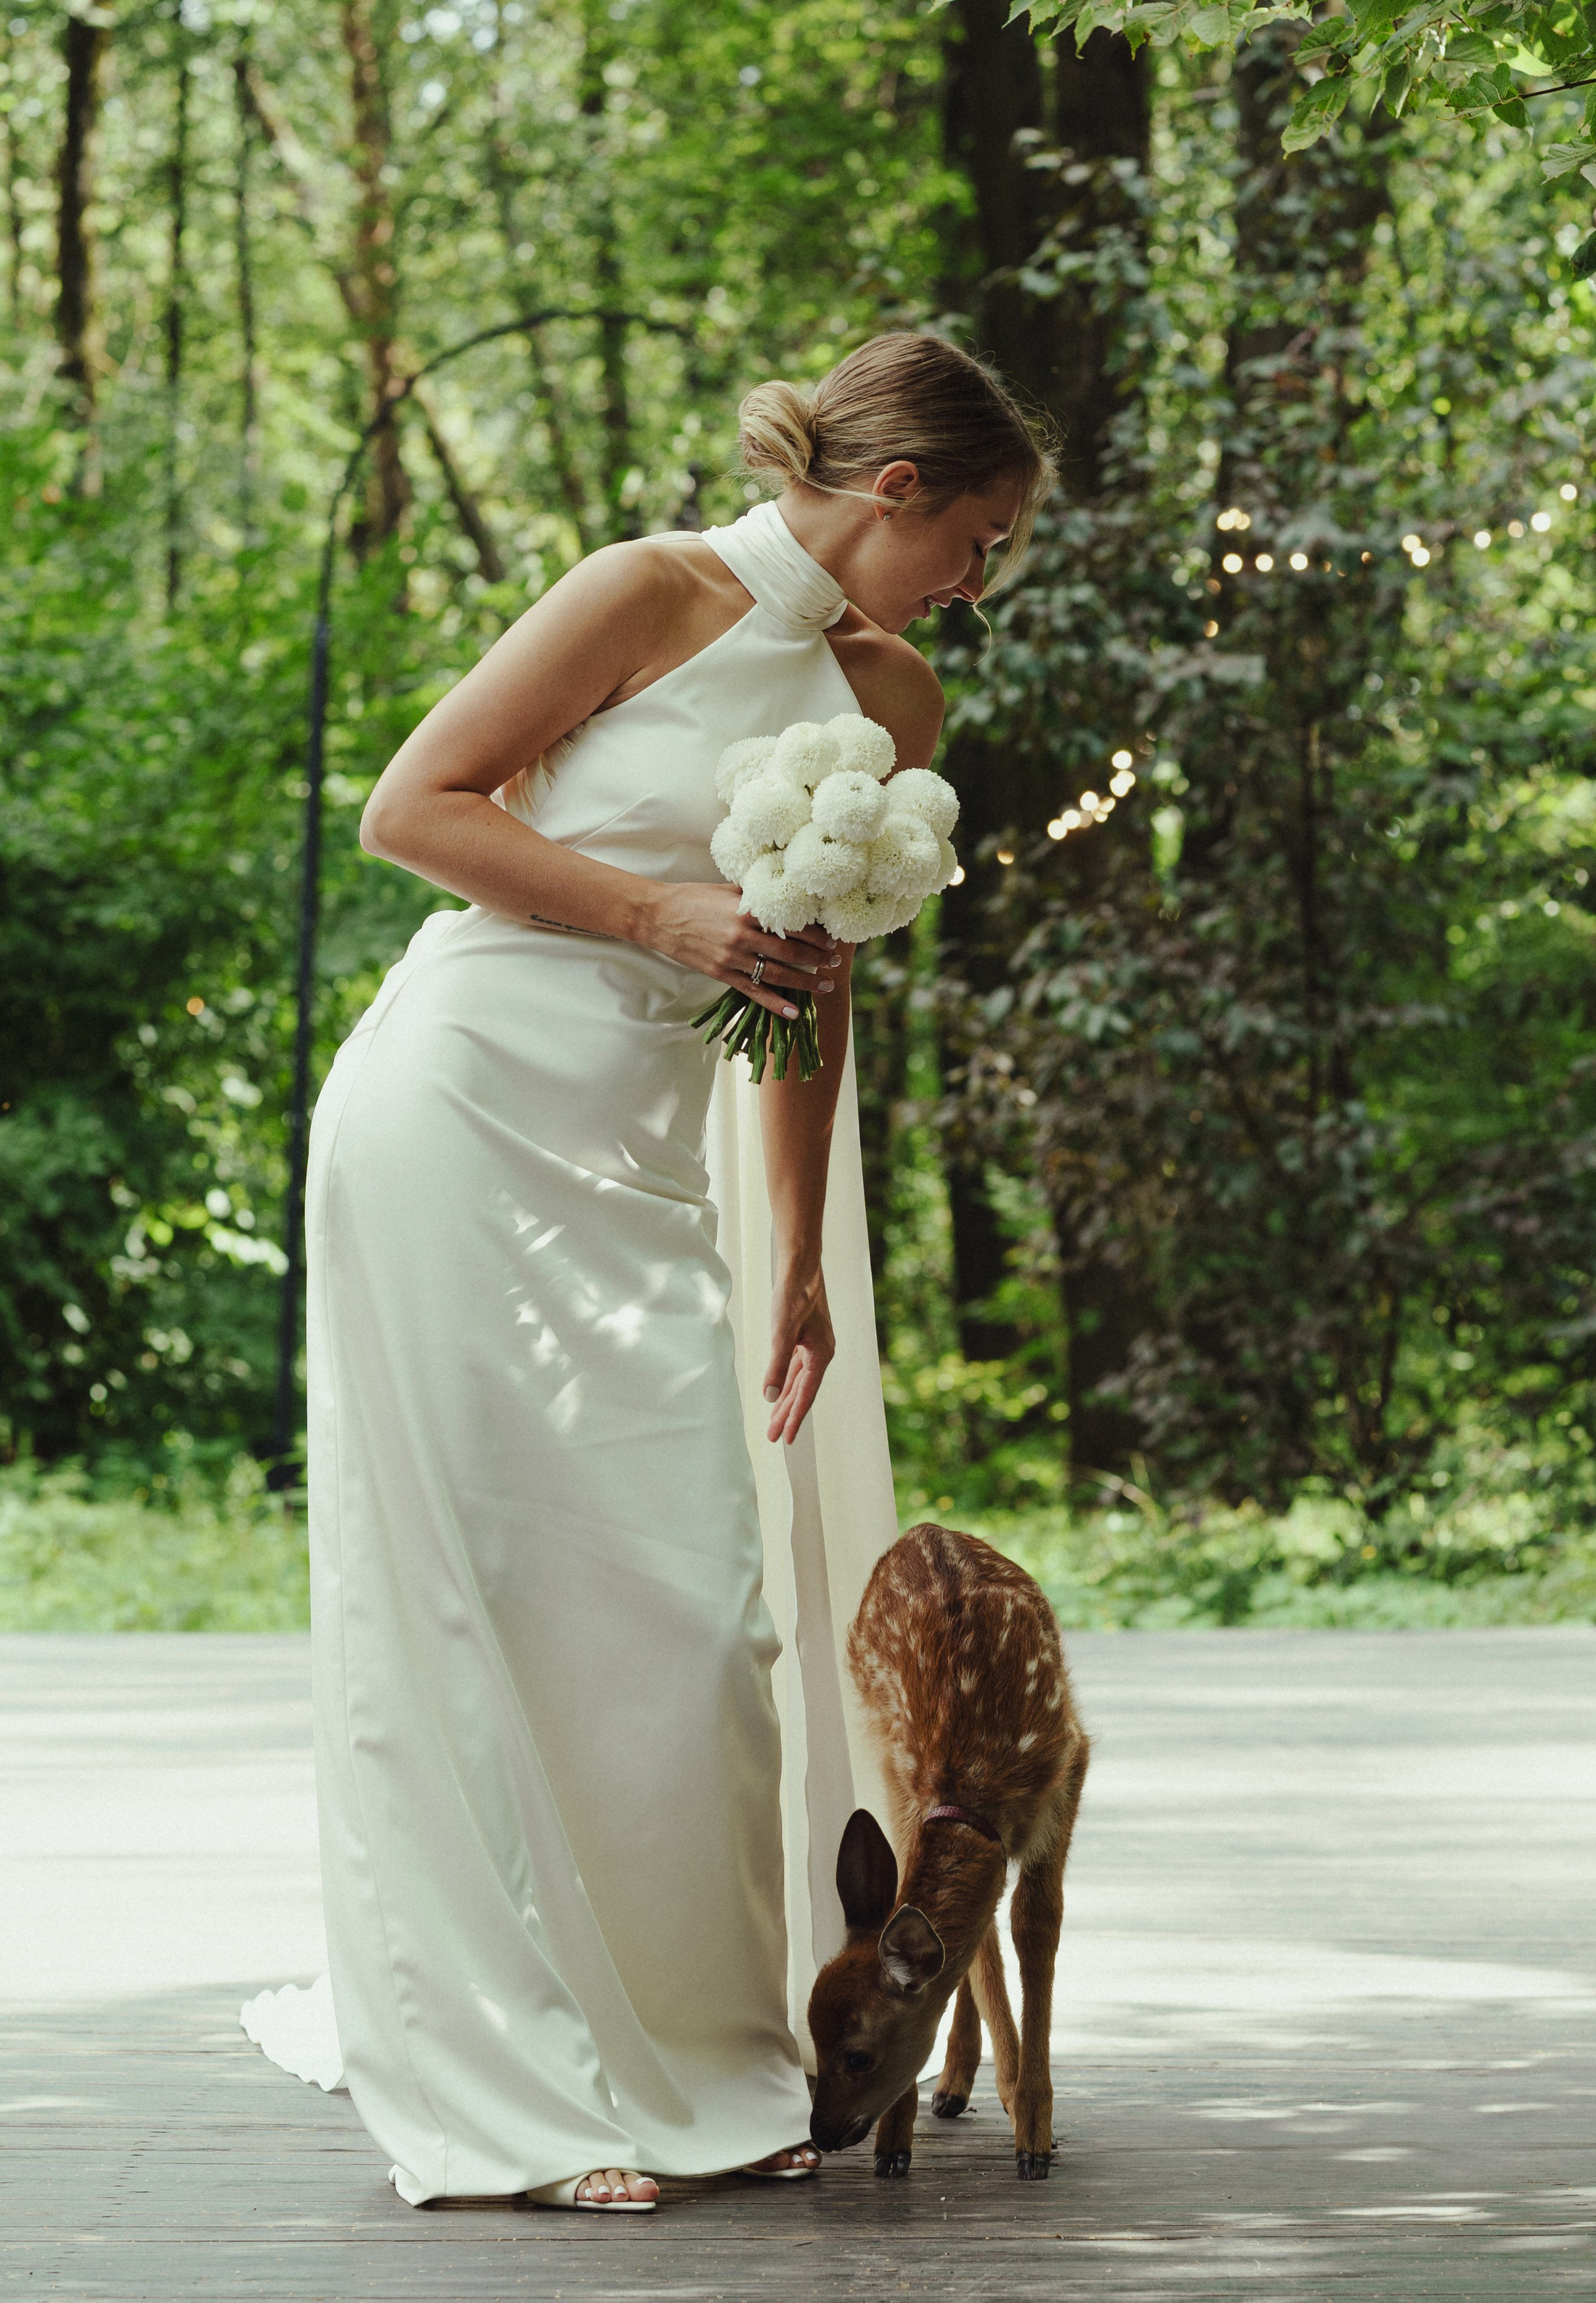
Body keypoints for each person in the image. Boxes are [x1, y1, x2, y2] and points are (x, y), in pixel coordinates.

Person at [295, 332, 1053, 2211]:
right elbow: (413, 813)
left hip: (641, 1168)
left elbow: (816, 980)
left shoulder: (900, 698)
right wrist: (660, 912)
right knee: (475, 1606)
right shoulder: (647, 590)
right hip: (456, 1111)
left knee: (697, 1620)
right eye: (979, 535)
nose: (983, 580)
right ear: (892, 492)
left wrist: (796, 1248)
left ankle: (702, 2054)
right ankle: (520, 2086)